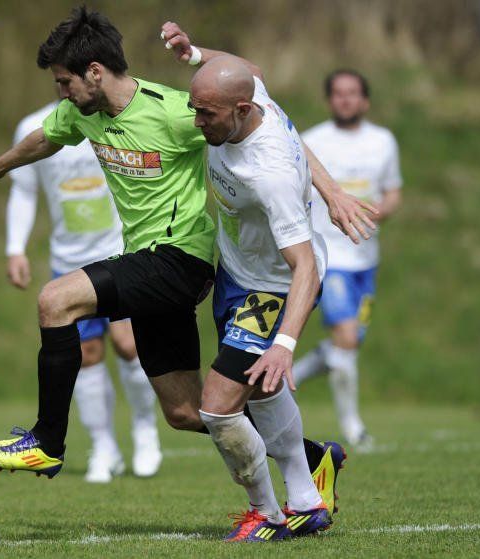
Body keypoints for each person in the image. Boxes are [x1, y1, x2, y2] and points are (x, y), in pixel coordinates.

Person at [0, 7, 373, 484]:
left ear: (94, 72)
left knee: (55, 300)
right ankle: (312, 455)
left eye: (64, 82)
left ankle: (47, 442)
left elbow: (273, 128)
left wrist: (332, 192)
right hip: (146, 261)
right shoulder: (80, 114)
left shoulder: (176, 112)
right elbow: (43, 140)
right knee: (187, 411)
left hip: (180, 257)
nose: (62, 93)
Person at [160, 22, 334, 541]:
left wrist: (285, 344)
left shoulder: (268, 173)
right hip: (236, 273)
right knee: (259, 393)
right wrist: (194, 54)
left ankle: (267, 515)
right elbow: (250, 70)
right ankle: (307, 501)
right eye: (194, 109)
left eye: (206, 114)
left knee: (216, 407)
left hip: (272, 288)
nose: (197, 123)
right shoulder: (251, 94)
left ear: (242, 110)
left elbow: (305, 267)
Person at [6, 102, 162, 482]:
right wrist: (15, 248)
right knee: (87, 354)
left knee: (128, 344)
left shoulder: (115, 120)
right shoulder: (34, 126)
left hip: (119, 250)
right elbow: (24, 191)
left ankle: (145, 430)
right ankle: (104, 446)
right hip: (69, 260)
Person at [292, 70, 402, 452]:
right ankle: (354, 428)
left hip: (365, 259)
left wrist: (377, 212)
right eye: (338, 93)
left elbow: (393, 192)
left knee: (347, 347)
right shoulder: (312, 141)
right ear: (329, 100)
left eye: (352, 93)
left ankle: (286, 375)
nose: (345, 99)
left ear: (365, 100)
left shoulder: (383, 141)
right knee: (345, 338)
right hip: (330, 257)